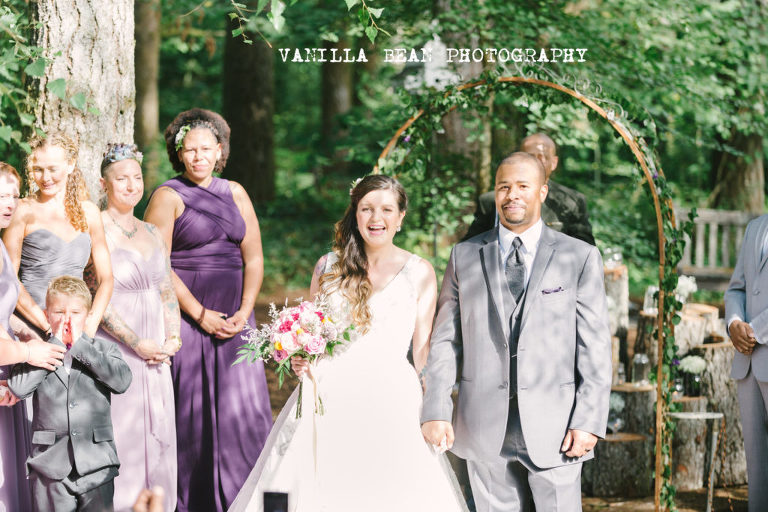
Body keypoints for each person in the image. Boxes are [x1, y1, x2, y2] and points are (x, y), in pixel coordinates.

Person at [229, 174, 468, 512]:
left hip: (391, 397)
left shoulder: (419, 272)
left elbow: (422, 350)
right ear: (355, 213)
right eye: (367, 208)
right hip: (327, 393)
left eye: (387, 209)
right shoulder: (327, 266)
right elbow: (313, 332)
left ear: (400, 217)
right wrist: (301, 357)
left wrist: (436, 410)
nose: (376, 217)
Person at [421, 152, 612, 511]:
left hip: (557, 428)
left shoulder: (579, 256)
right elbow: (445, 340)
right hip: (483, 425)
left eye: (523, 186)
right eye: (503, 187)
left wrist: (588, 420)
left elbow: (595, 347)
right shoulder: (464, 256)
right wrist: (436, 408)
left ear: (542, 191)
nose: (512, 195)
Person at [143, 108, 272, 511]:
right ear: (179, 153)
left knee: (243, 409)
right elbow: (157, 264)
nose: (198, 156)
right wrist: (199, 313)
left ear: (219, 151)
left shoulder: (236, 192)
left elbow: (254, 257)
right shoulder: (167, 197)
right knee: (192, 411)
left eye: (205, 148)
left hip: (236, 316)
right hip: (188, 316)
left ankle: (246, 497)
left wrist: (245, 311)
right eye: (190, 149)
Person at [90, 143, 180, 512]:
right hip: (119, 347)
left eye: (137, 177)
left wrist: (172, 337)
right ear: (104, 184)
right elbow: (95, 294)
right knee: (123, 428)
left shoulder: (153, 231)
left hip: (156, 351)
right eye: (121, 179)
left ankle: (156, 502)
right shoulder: (95, 228)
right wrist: (135, 342)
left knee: (159, 428)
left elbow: (166, 288)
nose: (131, 185)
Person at [8, 276, 132, 512]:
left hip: (97, 465)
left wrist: (81, 346)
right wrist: (54, 344)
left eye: (75, 312)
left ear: (87, 315)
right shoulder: (36, 351)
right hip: (50, 466)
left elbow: (122, 381)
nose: (67, 319)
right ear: (47, 315)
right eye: (58, 312)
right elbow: (19, 387)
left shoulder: (104, 349)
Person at [0, 162, 66, 512]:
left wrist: (27, 333)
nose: (9, 203)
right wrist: (28, 354)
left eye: (13, 195)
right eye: (0, 196)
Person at [2, 132, 113, 340]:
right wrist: (47, 327)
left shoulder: (90, 212)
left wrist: (89, 324)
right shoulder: (22, 210)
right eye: (38, 169)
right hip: (33, 326)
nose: (45, 178)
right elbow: (9, 278)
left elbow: (106, 279)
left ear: (70, 165)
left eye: (53, 169)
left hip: (78, 329)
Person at [463, 133, 595, 245]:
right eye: (530, 156)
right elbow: (470, 247)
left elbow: (583, 251)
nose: (537, 162)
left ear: (554, 162)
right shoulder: (491, 201)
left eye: (543, 157)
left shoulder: (571, 202)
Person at [725, 213, 768, 512]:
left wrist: (754, 331)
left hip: (755, 342)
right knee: (756, 464)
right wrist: (734, 323)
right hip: (748, 363)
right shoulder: (755, 226)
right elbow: (736, 288)